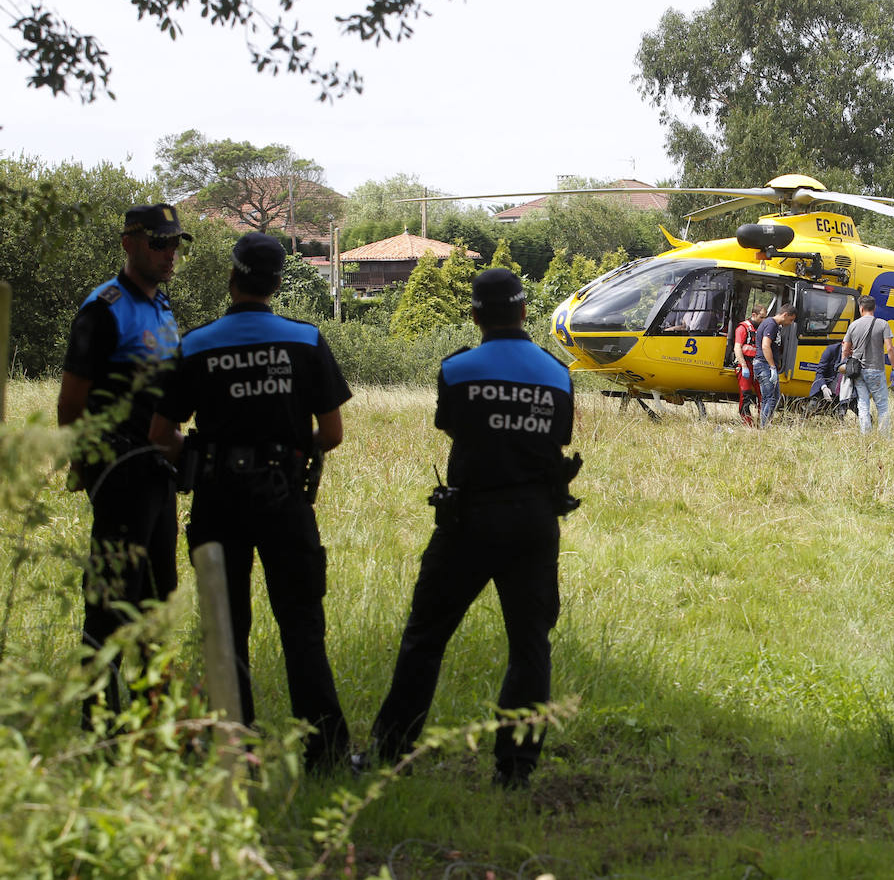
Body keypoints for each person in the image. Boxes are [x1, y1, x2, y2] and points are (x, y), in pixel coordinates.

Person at [148, 232, 351, 771]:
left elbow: (160, 434)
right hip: (285, 500)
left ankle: (235, 748)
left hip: (217, 501)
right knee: (302, 624)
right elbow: (331, 433)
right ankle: (325, 752)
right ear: (279, 282)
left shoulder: (195, 344)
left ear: (231, 278)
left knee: (226, 624)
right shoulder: (306, 341)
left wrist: (192, 454)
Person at [368, 268, 578, 790]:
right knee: (530, 646)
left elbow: (451, 425)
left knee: (425, 638)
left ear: (475, 314)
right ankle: (515, 771)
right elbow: (559, 437)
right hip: (533, 522)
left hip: (468, 521)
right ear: (526, 311)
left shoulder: (457, 369)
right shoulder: (556, 373)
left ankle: (390, 752)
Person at [58, 203, 187, 732]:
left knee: (157, 597)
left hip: (159, 474)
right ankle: (98, 720)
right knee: (111, 601)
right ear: (128, 243)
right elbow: (71, 405)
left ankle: (152, 711)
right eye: (159, 244)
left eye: (175, 244)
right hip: (118, 473)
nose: (169, 254)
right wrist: (90, 470)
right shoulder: (102, 309)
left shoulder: (163, 307)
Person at [842, 295, 894, 435]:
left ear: (861, 308)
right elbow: (890, 348)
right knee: (882, 405)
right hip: (876, 369)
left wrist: (844, 363)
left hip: (858, 371)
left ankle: (865, 435)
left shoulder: (853, 325)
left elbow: (845, 349)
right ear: (874, 308)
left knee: (863, 404)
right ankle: (885, 436)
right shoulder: (882, 324)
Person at [751, 304, 796, 428]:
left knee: (773, 397)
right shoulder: (771, 324)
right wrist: (772, 367)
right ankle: (764, 427)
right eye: (791, 319)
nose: (791, 323)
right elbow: (766, 346)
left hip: (766, 365)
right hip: (764, 365)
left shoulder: (775, 325)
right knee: (770, 398)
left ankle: (765, 423)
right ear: (785, 315)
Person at [733, 304, 765, 425]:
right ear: (754, 315)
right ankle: (747, 423)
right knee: (745, 394)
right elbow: (737, 348)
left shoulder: (761, 329)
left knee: (762, 395)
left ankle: (763, 421)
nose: (763, 320)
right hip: (745, 365)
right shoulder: (743, 328)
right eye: (761, 317)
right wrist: (744, 366)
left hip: (758, 365)